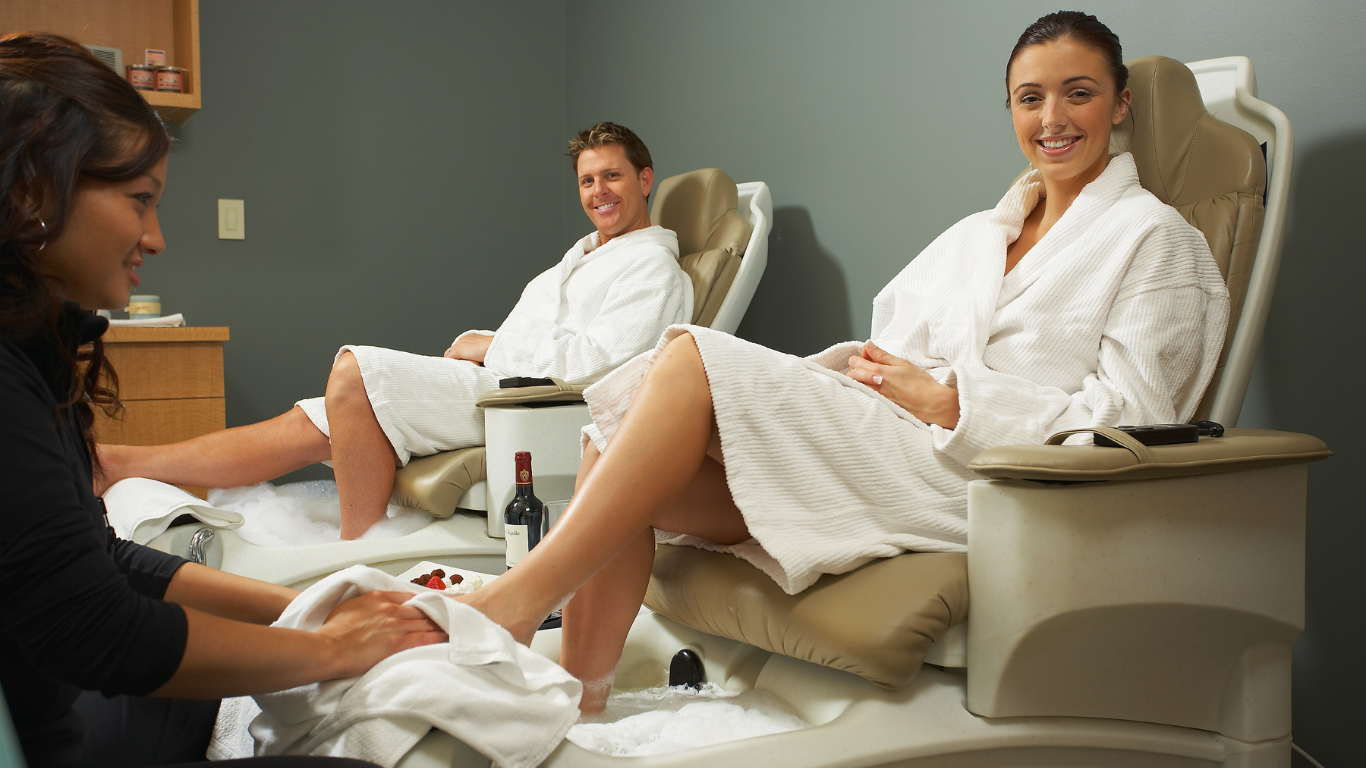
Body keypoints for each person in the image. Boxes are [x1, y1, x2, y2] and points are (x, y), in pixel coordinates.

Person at [452, 11, 1232, 714]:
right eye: (1030, 98)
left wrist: (951, 402)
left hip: (991, 482)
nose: (1052, 119)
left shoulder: (1155, 241)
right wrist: (862, 377)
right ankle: (580, 702)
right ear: (1011, 111)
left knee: (687, 356)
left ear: (1120, 103)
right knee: (610, 433)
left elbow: (1136, 423)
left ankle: (516, 602)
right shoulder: (978, 234)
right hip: (890, 442)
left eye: (1079, 93)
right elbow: (888, 342)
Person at [0, 33, 447, 767]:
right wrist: (330, 648)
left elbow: (101, 560)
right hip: (46, 730)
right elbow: (97, 628)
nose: (156, 238)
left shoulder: (35, 347)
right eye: (141, 201)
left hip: (52, 699)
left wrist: (300, 605)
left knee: (205, 690)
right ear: (31, 190)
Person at [97, 122, 692, 539]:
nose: (598, 193)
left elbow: (604, 367)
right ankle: (123, 463)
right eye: (588, 181)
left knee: (353, 372)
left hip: (538, 411)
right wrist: (482, 348)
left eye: (611, 177)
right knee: (312, 419)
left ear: (645, 180)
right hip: (498, 387)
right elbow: (543, 337)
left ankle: (361, 552)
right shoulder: (580, 258)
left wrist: (492, 346)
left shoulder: (652, 267)